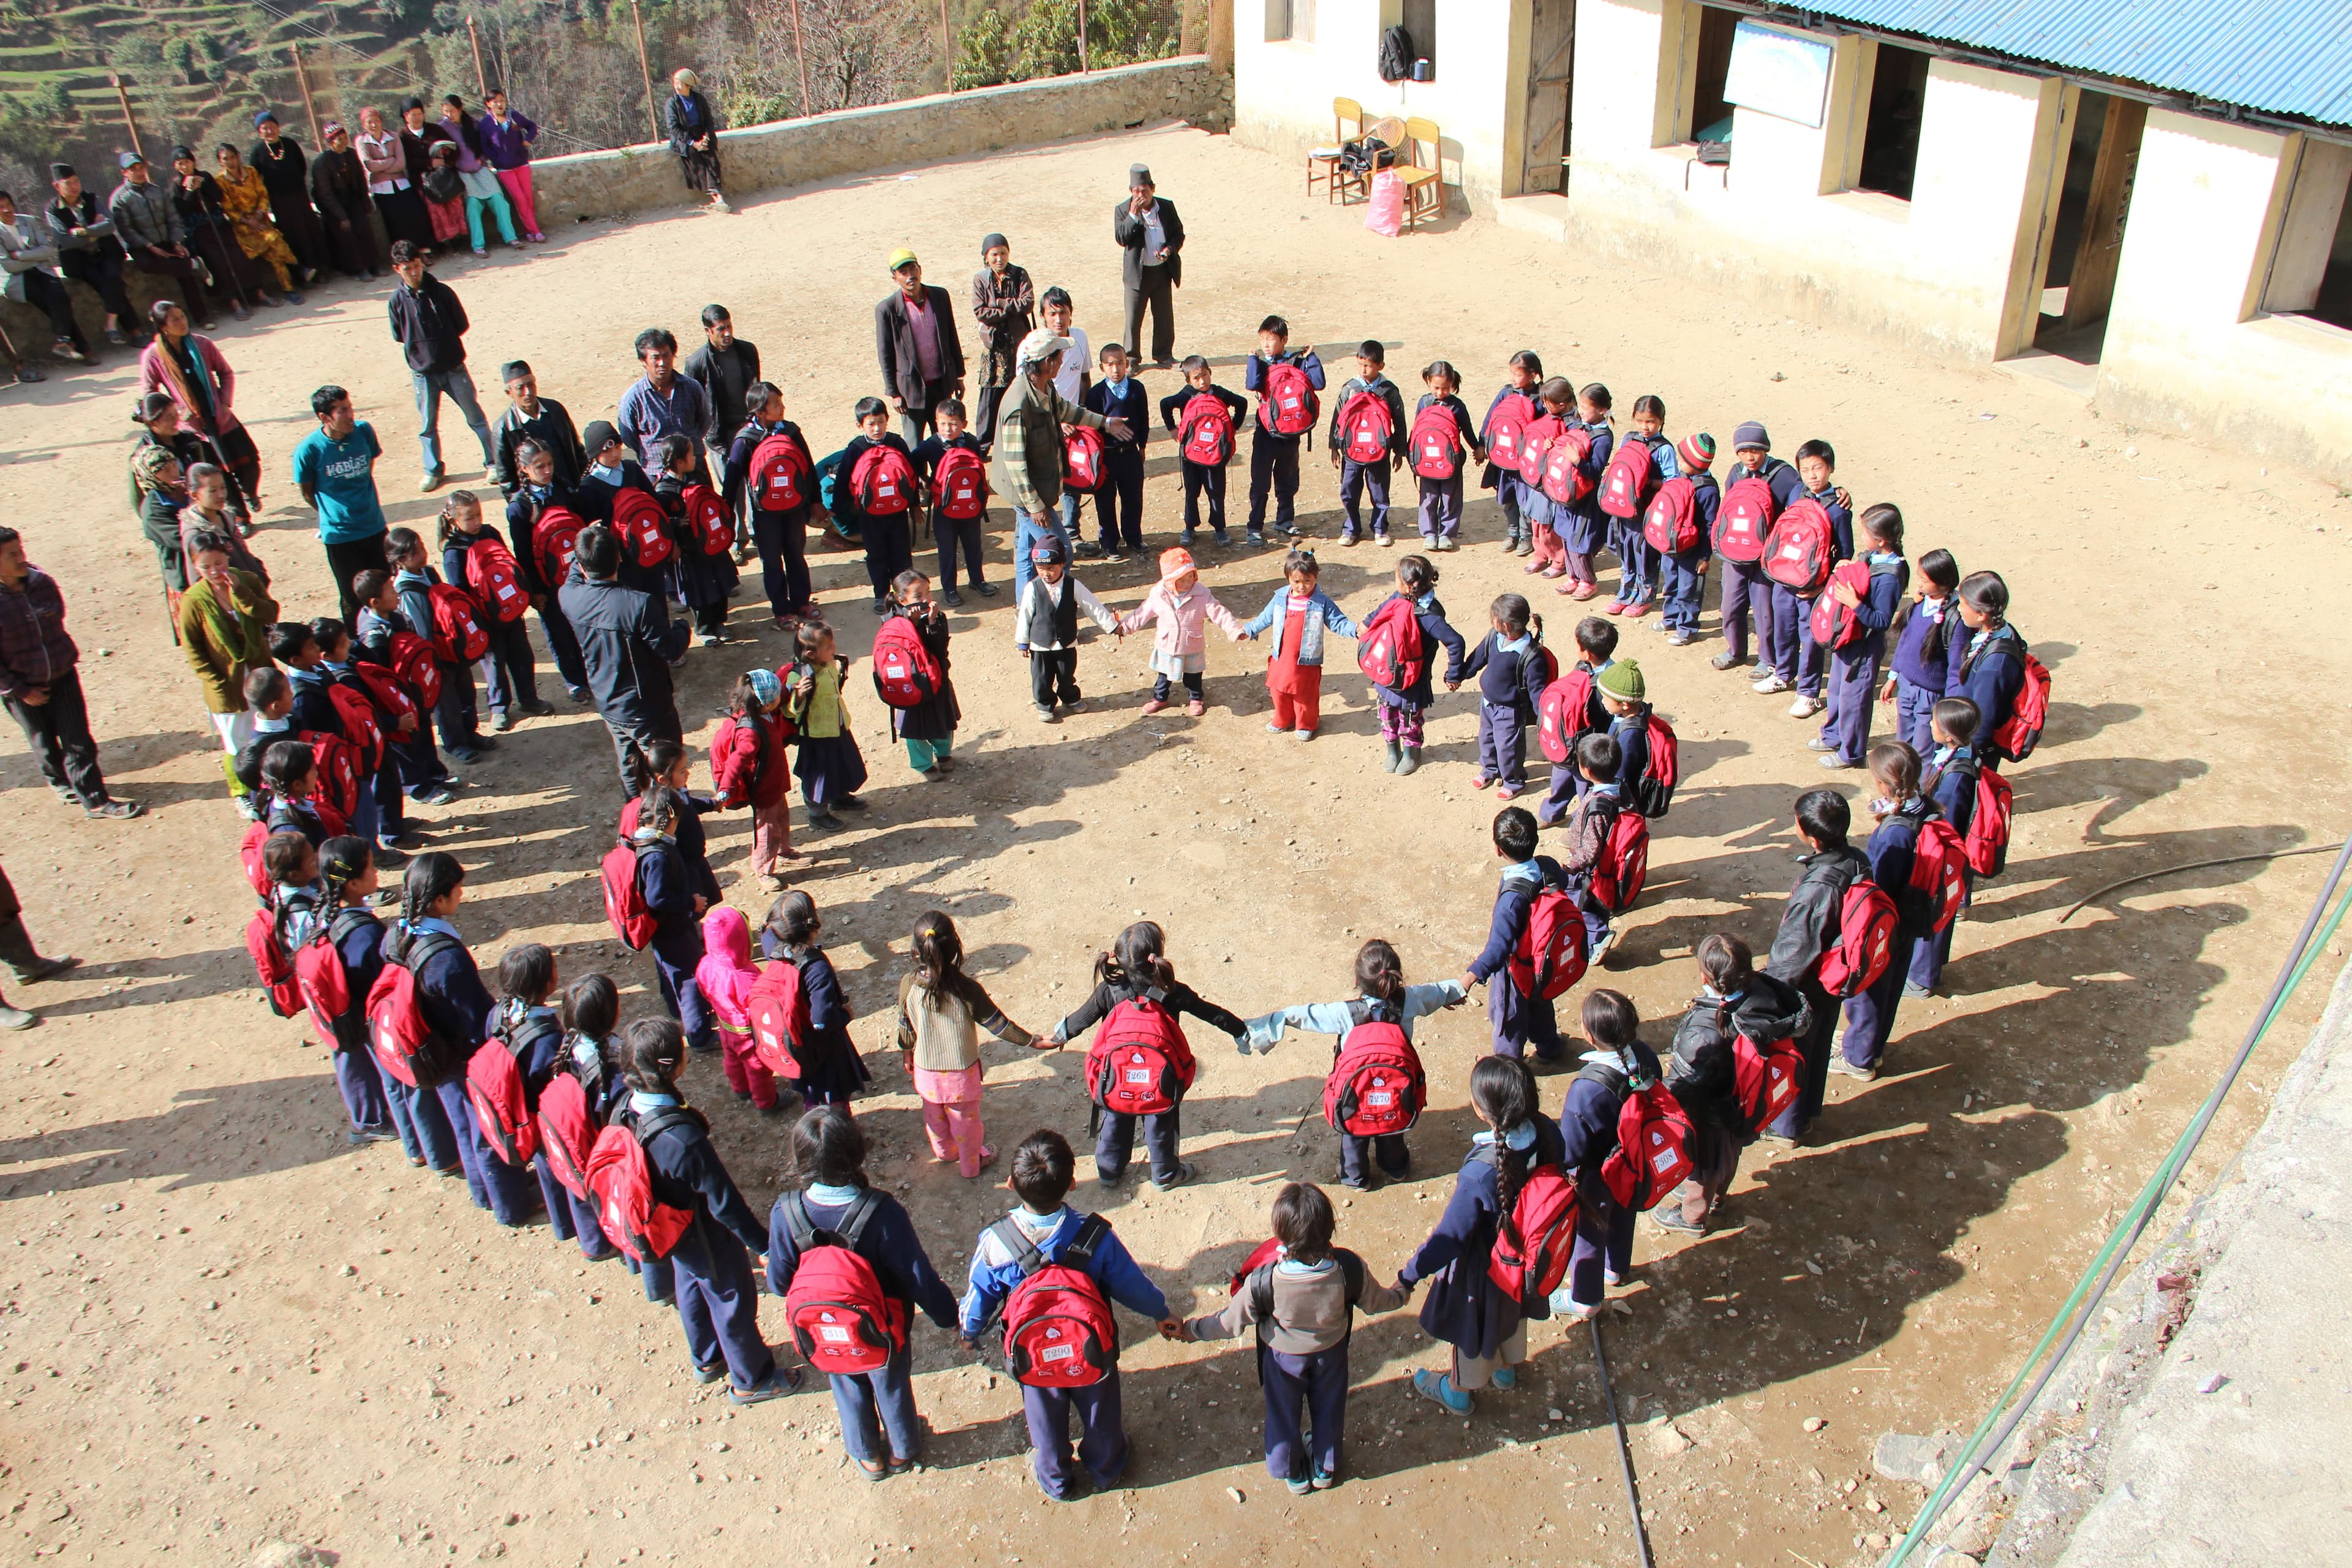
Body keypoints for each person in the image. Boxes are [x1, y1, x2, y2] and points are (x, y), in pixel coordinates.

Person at [958, 1128, 1182, 1501]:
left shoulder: (996, 1243)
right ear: (1073, 1184)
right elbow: (1132, 1284)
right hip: (1091, 1346)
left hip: (1034, 1353)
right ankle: (1107, 1468)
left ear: (1011, 1183)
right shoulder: (1095, 1236)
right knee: (1101, 1410)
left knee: (1043, 1417)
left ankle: (1056, 1478)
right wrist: (1161, 1312)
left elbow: (979, 1295)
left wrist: (970, 1331)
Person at [767, 1107, 960, 1476]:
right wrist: (949, 1317)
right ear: (857, 1152)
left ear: (800, 1159)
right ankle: (903, 1450)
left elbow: (779, 1282)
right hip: (884, 1326)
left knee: (846, 1383)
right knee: (891, 1383)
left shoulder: (785, 1212)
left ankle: (868, 1455)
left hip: (824, 1328)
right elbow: (917, 1276)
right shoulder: (882, 1212)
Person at [1179, 1180, 1407, 1492]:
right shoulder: (1348, 1269)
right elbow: (1377, 1301)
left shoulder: (1264, 1281)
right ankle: (1325, 1469)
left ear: (1281, 1235)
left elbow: (1229, 1323)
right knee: (1329, 1408)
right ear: (1330, 1229)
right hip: (1332, 1354)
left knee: (1283, 1414)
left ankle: (1293, 1473)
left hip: (1281, 1360)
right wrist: (1401, 1294)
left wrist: (1192, 1330)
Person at [616, 1017, 796, 1401]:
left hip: (669, 1225)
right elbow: (725, 1203)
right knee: (730, 1295)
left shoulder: (624, 1108)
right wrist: (764, 1247)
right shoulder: (681, 1139)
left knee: (690, 1281)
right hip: (701, 1229)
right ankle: (753, 1378)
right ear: (675, 1065)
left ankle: (707, 1357)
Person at [1398, 1054, 1566, 1414]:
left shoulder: (1481, 1173)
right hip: (1527, 1258)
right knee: (1512, 1315)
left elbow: (1451, 1237)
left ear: (1481, 1110)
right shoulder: (1548, 1131)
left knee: (1475, 1328)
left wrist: (1409, 1275)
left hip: (1484, 1271)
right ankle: (1506, 1370)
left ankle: (1458, 1388)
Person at [1041, 919, 1247, 1190]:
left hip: (1116, 1077)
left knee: (1114, 1120)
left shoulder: (1108, 991)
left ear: (1118, 959)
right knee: (1162, 1122)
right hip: (1160, 1080)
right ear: (1156, 957)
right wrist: (1241, 1030)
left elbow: (1080, 1020)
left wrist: (1055, 1038)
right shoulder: (1172, 992)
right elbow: (1211, 1013)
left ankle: (1109, 1171)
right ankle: (1164, 1174)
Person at [1246, 938, 1465, 1188]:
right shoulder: (1411, 1000)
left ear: (1357, 982)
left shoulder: (1343, 1013)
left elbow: (1303, 1015)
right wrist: (1468, 981)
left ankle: (1356, 1178)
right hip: (1394, 1090)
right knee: (1393, 1129)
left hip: (1356, 1095)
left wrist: (1263, 1028)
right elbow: (1441, 991)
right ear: (1397, 978)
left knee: (1353, 1135)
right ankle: (1397, 1169)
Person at [1662, 934, 1808, 1235]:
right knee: (1728, 1158)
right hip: (1743, 1106)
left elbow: (1681, 1087)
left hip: (1709, 1117)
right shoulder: (1768, 992)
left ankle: (1693, 1217)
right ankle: (1719, 1197)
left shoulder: (1704, 1032)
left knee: (1701, 1170)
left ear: (1705, 977)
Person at [0, 529, 141, 818]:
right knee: (42, 740)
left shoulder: (41, 584)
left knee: (77, 739)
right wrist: (22, 690)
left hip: (62, 675)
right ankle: (59, 780)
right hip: (21, 687)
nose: (21, 558)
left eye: (20, 549)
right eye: (11, 554)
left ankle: (95, 800)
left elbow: (57, 618)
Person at [895, 911, 1042, 1179]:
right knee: (966, 1124)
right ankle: (971, 1165)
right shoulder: (967, 989)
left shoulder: (907, 985)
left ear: (917, 952)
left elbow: (905, 1025)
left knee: (934, 1118)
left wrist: (907, 1053)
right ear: (955, 948)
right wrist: (1032, 1040)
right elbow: (998, 1024)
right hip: (961, 1077)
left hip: (925, 1073)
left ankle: (945, 1153)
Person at [1760, 788, 1871, 1143]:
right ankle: (1807, 1113)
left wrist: (1768, 993)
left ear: (1810, 836)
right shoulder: (1855, 859)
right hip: (1835, 976)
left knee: (1794, 1053)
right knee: (1819, 1045)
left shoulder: (1817, 889)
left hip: (1809, 982)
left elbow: (1794, 952)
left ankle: (1785, 1127)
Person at [1549, 990, 1662, 1321]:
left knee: (1589, 1231)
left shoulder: (1586, 1090)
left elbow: (1572, 1151)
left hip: (1598, 1175)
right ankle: (1615, 1269)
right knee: (1625, 1212)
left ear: (1588, 1035)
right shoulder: (1644, 1055)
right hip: (1634, 1157)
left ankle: (1585, 1299)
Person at [993, 330, 1125, 601]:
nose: (1064, 359)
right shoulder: (1019, 405)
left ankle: (1025, 609)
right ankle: (1052, 606)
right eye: (1059, 355)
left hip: (1038, 487)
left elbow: (1066, 411)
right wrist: (1036, 507)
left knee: (1026, 551)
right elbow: (1016, 465)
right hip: (1028, 494)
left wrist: (1105, 423)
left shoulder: (1043, 387)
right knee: (1058, 550)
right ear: (1046, 362)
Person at [560, 523, 688, 797]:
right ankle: (674, 815)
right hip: (647, 705)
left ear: (582, 565)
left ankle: (635, 810)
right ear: (619, 557)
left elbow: (574, 574)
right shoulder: (638, 604)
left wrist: (584, 547)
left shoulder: (570, 596)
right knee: (666, 764)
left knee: (629, 764)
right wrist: (681, 628)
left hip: (607, 699)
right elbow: (670, 650)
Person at [1458, 805, 1569, 1060]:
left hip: (1516, 972)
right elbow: (1563, 881)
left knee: (1509, 1018)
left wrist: (1469, 978)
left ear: (1498, 849)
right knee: (1541, 1007)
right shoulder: (1547, 865)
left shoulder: (1511, 900)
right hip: (1544, 961)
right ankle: (1550, 1048)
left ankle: (1509, 1064)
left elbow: (1499, 948)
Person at [386, 241, 496, 492]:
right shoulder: (396, 301)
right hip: (423, 374)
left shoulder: (443, 293)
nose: (414, 273)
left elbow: (461, 324)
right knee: (427, 426)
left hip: (454, 368)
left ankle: (493, 462)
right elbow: (399, 335)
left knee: (475, 417)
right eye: (407, 268)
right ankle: (433, 469)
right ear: (397, 269)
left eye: (416, 266)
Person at [178, 530, 277, 800]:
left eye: (219, 563)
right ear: (195, 566)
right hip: (227, 685)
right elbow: (193, 648)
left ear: (227, 556)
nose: (214, 571)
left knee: (267, 730)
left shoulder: (247, 580)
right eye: (205, 567)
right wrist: (216, 681)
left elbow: (269, 613)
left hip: (259, 672)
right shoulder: (193, 601)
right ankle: (243, 794)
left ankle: (272, 785)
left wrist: (242, 594)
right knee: (237, 743)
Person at [437, 489, 548, 729]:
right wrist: (476, 623)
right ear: (454, 521)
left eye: (478, 514)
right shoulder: (454, 552)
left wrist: (524, 596)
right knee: (494, 664)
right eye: (469, 518)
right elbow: (460, 593)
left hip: (509, 611)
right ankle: (499, 708)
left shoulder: (490, 533)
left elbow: (508, 564)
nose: (477, 521)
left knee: (522, 656)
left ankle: (529, 699)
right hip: (485, 619)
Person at [140, 300, 263, 513]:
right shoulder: (153, 356)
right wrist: (175, 412)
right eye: (175, 319)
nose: (182, 322)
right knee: (216, 473)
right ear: (163, 327)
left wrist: (225, 402)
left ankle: (249, 492)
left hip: (220, 415)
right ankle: (240, 516)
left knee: (249, 462)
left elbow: (225, 372)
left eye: (182, 316)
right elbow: (150, 393)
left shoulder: (202, 344)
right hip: (194, 428)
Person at [1811, 503, 1908, 769]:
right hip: (1848, 638)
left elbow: (1881, 620)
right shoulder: (1872, 556)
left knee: (1855, 699)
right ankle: (1833, 735)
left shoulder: (1890, 577)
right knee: (1837, 691)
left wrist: (1854, 603)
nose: (1862, 538)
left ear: (1882, 539)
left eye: (1866, 533)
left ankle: (1851, 752)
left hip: (1864, 645)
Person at [757, 891, 870, 1105]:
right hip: (822, 1053)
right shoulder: (816, 968)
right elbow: (822, 1020)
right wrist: (844, 1015)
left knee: (811, 1096)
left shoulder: (771, 948)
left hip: (793, 1043)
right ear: (813, 926)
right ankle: (836, 1135)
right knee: (831, 1104)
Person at [389, 526, 490, 763]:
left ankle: (470, 732)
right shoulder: (406, 591)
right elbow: (419, 629)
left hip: (453, 646)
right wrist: (432, 660)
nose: (424, 554)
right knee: (447, 703)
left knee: (466, 693)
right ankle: (455, 743)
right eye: (417, 552)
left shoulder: (428, 573)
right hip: (436, 656)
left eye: (422, 547)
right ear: (402, 560)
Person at [293, 385, 392, 623]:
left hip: (374, 526)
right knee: (352, 596)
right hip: (341, 537)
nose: (351, 416)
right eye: (342, 411)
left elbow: (368, 466)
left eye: (350, 408)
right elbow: (308, 493)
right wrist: (332, 515)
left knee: (386, 586)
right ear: (324, 418)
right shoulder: (309, 451)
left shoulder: (364, 432)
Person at [1711, 420, 1801, 674]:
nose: (1749, 457)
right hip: (1735, 553)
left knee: (1765, 611)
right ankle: (1735, 650)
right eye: (1743, 451)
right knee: (1730, 605)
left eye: (1755, 451)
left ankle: (1767, 659)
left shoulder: (1784, 475)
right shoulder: (1735, 473)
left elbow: (1797, 511)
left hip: (1765, 557)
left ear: (1766, 449)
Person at [723, 383, 816, 625]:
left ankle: (801, 602)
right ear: (760, 412)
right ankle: (781, 609)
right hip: (765, 515)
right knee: (772, 561)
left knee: (796, 555)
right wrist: (726, 513)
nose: (782, 407)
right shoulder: (745, 440)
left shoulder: (791, 433)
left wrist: (815, 502)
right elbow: (732, 479)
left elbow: (808, 469)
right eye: (776, 405)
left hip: (794, 510)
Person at [1365, 554, 1467, 777]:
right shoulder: (1399, 597)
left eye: (1396, 577)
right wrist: (1366, 624)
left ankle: (1412, 753)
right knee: (1386, 715)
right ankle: (1392, 750)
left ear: (1409, 585)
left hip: (1412, 681)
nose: (1395, 582)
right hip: (1389, 675)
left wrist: (1454, 674)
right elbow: (1383, 610)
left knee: (1409, 719)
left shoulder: (1428, 614)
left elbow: (1455, 641)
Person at [1240, 548, 1357, 741]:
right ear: (1288, 578)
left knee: (1305, 694)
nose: (1302, 586)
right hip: (1282, 656)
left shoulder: (1321, 603)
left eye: (1307, 581)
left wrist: (1355, 630)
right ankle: (1283, 719)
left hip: (1306, 660)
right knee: (1278, 689)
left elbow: (1338, 622)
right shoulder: (1280, 598)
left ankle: (1306, 723)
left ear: (1316, 578)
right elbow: (1265, 618)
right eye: (1296, 581)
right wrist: (1249, 630)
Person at [1118, 546, 1245, 718]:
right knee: (1163, 676)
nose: (1188, 584)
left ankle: (1196, 699)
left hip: (1192, 644)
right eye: (1181, 580)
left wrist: (1234, 630)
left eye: (1191, 577)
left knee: (1193, 677)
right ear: (1170, 581)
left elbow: (1219, 612)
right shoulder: (1158, 595)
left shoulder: (1202, 595)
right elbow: (1142, 613)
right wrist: (1124, 627)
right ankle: (1160, 698)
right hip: (1166, 644)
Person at [1014, 536, 1119, 723]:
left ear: (1062, 564)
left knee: (1067, 674)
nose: (1046, 573)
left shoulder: (1073, 585)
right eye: (1041, 569)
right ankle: (1045, 704)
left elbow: (1092, 606)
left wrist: (1111, 627)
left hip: (1067, 641)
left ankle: (1070, 698)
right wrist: (1022, 641)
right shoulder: (1032, 588)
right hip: (1040, 644)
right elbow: (1025, 615)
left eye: (1051, 568)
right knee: (1042, 678)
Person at [830, 397, 919, 614]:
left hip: (898, 512)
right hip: (869, 516)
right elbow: (843, 481)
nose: (877, 428)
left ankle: (904, 594)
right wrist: (837, 509)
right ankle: (881, 595)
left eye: (881, 422)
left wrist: (915, 505)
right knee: (877, 555)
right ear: (860, 425)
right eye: (871, 423)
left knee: (902, 554)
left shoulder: (897, 443)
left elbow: (911, 476)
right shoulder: (856, 449)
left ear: (888, 420)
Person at [1242, 315, 1325, 545]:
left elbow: (1318, 383)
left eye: (1271, 340)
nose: (1266, 345)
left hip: (1291, 433)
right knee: (1260, 482)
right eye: (1263, 340)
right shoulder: (1260, 363)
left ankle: (1285, 520)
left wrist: (1312, 358)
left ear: (1284, 339)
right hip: (1266, 434)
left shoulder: (1297, 362)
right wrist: (1252, 359)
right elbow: (1252, 384)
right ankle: (1255, 526)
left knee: (1288, 479)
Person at [107, 151, 214, 326]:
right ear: (124, 172)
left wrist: (177, 242)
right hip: (142, 246)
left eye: (141, 167)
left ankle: (202, 317)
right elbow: (125, 230)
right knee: (148, 264)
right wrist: (149, 246)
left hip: (166, 240)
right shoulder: (119, 199)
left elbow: (173, 218)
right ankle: (194, 264)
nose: (139, 172)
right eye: (133, 169)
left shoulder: (158, 192)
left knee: (185, 272)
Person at [712, 670, 794, 891]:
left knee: (783, 819)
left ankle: (784, 852)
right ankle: (763, 869)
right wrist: (725, 789)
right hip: (765, 790)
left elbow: (782, 696)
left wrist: (795, 690)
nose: (782, 697)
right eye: (778, 695)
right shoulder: (750, 733)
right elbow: (736, 762)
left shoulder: (759, 710)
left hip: (775, 784)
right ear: (767, 705)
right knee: (767, 830)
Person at [873, 250, 965, 445]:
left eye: (913, 269)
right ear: (895, 278)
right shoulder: (887, 310)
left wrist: (958, 375)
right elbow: (886, 354)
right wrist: (894, 393)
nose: (910, 276)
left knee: (944, 440)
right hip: (910, 391)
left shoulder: (940, 296)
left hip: (941, 384)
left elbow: (951, 335)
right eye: (903, 272)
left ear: (920, 270)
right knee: (914, 445)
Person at [782, 620, 867, 831]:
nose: (834, 649)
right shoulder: (799, 675)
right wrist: (799, 695)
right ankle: (817, 814)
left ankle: (839, 796)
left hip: (837, 727)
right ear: (811, 654)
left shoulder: (827, 664)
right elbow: (789, 709)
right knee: (818, 776)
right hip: (817, 736)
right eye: (829, 647)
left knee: (842, 763)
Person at [164, 145, 266, 316]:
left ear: (193, 161)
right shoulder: (175, 186)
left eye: (187, 162)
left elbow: (219, 197)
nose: (185, 166)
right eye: (180, 163)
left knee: (238, 254)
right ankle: (233, 301)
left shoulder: (204, 176)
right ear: (176, 166)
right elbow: (181, 210)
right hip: (200, 230)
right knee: (218, 262)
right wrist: (189, 191)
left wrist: (202, 185)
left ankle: (257, 292)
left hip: (218, 223)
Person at [1461, 592, 1547, 798]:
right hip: (1488, 704)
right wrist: (1459, 675)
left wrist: (1543, 721)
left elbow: (1538, 690)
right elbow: (1477, 658)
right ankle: (1490, 770)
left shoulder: (1531, 655)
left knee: (1509, 747)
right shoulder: (1494, 637)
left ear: (1505, 624)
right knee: (1487, 739)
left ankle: (1514, 780)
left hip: (1510, 710)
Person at [911, 398, 992, 605]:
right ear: (936, 422)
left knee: (974, 546)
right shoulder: (930, 446)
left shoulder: (972, 443)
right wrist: (927, 481)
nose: (948, 429)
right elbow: (913, 464)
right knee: (947, 550)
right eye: (943, 423)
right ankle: (950, 589)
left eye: (954, 423)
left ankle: (977, 580)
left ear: (964, 424)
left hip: (970, 508)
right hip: (943, 509)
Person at [1328, 339, 1409, 547]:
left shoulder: (1389, 391)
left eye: (1368, 365)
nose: (1363, 370)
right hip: (1351, 452)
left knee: (1380, 491)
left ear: (1380, 366)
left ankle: (1380, 529)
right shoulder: (1350, 389)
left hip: (1379, 452)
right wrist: (1334, 447)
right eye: (1360, 364)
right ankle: (1351, 528)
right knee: (1349, 490)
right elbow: (1338, 418)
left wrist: (1399, 451)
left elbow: (1399, 421)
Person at [43, 165, 135, 347]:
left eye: (76, 181)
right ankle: (131, 330)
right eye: (68, 183)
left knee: (113, 277)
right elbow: (65, 240)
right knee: (108, 284)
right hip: (79, 259)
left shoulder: (91, 199)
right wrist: (95, 231)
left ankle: (113, 326)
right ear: (56, 186)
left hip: (106, 251)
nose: (74, 187)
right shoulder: (53, 210)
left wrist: (83, 231)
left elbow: (109, 225)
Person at [1883, 548, 1965, 753]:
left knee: (1924, 748)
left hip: (1930, 694)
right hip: (1906, 685)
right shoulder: (1919, 605)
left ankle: (1921, 785)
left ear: (1943, 583)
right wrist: (1893, 675)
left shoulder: (1955, 620)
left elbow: (1956, 669)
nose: (1919, 584)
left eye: (1924, 580)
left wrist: (1948, 710)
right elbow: (1905, 641)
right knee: (1903, 741)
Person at [1161, 354, 1246, 548]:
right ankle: (1190, 527)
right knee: (1192, 491)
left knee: (1216, 492)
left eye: (1205, 375)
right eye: (1196, 378)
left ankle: (1219, 528)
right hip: (1191, 455)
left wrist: (1233, 428)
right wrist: (1172, 428)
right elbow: (1165, 404)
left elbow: (1241, 402)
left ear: (1211, 373)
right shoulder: (1186, 395)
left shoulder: (1220, 393)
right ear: (1188, 380)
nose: (1203, 381)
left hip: (1215, 453)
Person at [1602, 395, 1676, 616]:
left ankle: (1645, 596)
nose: (1645, 427)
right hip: (1624, 509)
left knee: (1645, 554)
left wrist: (1648, 482)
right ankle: (1625, 593)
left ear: (1661, 421)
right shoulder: (1629, 439)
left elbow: (1672, 482)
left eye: (1651, 422)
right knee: (1626, 550)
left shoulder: (1664, 450)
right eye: (1640, 421)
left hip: (1647, 512)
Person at [881, 571, 959, 778]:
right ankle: (923, 764)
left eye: (928, 592)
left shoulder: (937, 617)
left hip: (937, 680)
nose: (926, 599)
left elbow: (940, 650)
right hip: (911, 683)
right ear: (901, 599)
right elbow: (899, 651)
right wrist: (912, 625)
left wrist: (931, 623)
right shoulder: (893, 622)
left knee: (943, 719)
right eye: (918, 596)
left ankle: (943, 754)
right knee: (914, 729)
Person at [0, 189, 91, 368]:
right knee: (51, 305)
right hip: (17, 278)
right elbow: (8, 266)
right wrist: (33, 256)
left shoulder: (28, 221)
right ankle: (82, 349)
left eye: (8, 205)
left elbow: (48, 250)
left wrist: (19, 255)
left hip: (42, 271)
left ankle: (65, 342)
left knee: (60, 296)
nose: (6, 210)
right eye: (1, 207)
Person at [1952, 571, 2029, 767]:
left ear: (1981, 615)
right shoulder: (2005, 630)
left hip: (1974, 750)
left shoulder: (1994, 666)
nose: (1958, 609)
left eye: (1963, 604)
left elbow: (1983, 721)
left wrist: (1963, 757)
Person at [619, 327, 712, 488]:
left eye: (667, 355)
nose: (662, 363)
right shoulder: (633, 399)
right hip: (658, 477)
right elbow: (629, 438)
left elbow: (704, 423)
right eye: (655, 357)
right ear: (644, 361)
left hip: (695, 470)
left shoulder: (692, 388)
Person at [1080, 341, 1149, 559]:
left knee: (1133, 498)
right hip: (1106, 457)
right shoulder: (1096, 394)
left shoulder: (1137, 389)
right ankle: (1109, 543)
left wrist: (1143, 445)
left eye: (1120, 363)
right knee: (1105, 501)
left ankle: (1133, 537)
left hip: (1130, 453)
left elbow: (1144, 419)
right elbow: (1092, 426)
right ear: (1102, 368)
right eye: (1110, 365)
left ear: (1127, 364)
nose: (1116, 369)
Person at [213, 144, 307, 300]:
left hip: (261, 220)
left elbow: (263, 194)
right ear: (220, 162)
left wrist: (258, 215)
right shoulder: (221, 181)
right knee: (274, 239)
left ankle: (289, 289)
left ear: (239, 156)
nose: (230, 161)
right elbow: (228, 209)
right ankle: (297, 266)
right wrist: (249, 221)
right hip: (244, 228)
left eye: (233, 157)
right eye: (225, 159)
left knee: (275, 250)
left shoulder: (251, 172)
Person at [681, 305, 760, 484]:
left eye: (729, 327)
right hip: (720, 437)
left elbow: (756, 388)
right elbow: (692, 404)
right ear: (708, 331)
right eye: (721, 329)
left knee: (756, 483)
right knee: (732, 489)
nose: (727, 333)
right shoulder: (696, 363)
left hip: (749, 429)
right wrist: (707, 433)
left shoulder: (747, 351)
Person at [1114, 164, 1183, 367]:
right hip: (1137, 274)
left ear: (1153, 188)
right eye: (1136, 191)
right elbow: (1121, 238)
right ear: (1131, 191)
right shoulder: (1122, 211)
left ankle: (1164, 355)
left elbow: (1178, 234)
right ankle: (1132, 359)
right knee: (1133, 319)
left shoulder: (1167, 207)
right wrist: (1133, 215)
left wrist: (1169, 249)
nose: (1141, 195)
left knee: (1164, 317)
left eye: (1145, 190)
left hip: (1161, 272)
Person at [968, 233, 1033, 446]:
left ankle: (1018, 435)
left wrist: (1001, 303)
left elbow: (1028, 303)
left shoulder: (1019, 274)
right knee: (989, 392)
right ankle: (984, 442)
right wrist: (1009, 310)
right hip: (994, 347)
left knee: (1019, 388)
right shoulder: (980, 279)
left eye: (1003, 253)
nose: (999, 259)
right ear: (986, 257)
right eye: (994, 254)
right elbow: (980, 312)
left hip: (1018, 343)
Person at [437, 96, 522, 257]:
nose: (449, 115)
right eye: (446, 111)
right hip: (462, 172)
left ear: (460, 109)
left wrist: (481, 158)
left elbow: (486, 143)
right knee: (473, 205)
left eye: (452, 111)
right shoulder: (442, 128)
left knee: (499, 200)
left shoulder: (474, 124)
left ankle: (511, 238)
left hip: (481, 168)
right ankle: (478, 245)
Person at [248, 111, 329, 280]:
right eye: (265, 129)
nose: (270, 131)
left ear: (278, 127)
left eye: (272, 127)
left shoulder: (290, 145)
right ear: (259, 132)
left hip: (299, 196)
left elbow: (302, 167)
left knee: (309, 230)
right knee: (292, 235)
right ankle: (302, 275)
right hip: (279, 201)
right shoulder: (258, 152)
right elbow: (255, 178)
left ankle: (320, 269)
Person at [1411, 360, 1482, 550]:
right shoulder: (1423, 403)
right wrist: (1412, 456)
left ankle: (1447, 533)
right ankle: (1430, 533)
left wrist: (1478, 448)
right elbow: (1417, 431)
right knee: (1428, 498)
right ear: (1428, 382)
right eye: (1436, 388)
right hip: (1427, 461)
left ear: (1452, 384)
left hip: (1451, 462)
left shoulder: (1458, 406)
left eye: (1445, 388)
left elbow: (1467, 430)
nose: (1441, 392)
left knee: (1451, 498)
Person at [1657, 433, 1720, 646]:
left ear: (1697, 463)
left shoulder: (1708, 490)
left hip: (1692, 551)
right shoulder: (1682, 479)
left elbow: (1711, 526)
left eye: (1684, 460)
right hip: (1673, 547)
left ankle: (1687, 628)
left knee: (1689, 591)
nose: (1679, 462)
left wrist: (1705, 556)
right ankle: (1671, 618)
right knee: (1671, 584)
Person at [492, 360, 586, 496]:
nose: (528, 392)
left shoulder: (555, 411)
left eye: (531, 384)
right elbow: (507, 480)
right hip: (539, 499)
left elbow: (577, 452)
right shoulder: (504, 429)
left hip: (570, 490)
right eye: (520, 388)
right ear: (509, 392)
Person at [308, 123, 383, 280]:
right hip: (333, 205)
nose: (343, 142)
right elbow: (325, 193)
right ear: (330, 143)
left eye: (345, 138)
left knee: (364, 228)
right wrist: (341, 216)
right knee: (347, 233)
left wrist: (365, 201)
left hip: (351, 199)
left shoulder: (351, 155)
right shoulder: (322, 163)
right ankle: (358, 269)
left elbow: (360, 180)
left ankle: (373, 265)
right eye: (338, 140)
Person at [355, 106, 434, 257]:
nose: (374, 125)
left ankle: (424, 250)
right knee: (396, 219)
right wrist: (391, 161)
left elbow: (402, 163)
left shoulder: (393, 136)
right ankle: (405, 255)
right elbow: (369, 165)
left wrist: (382, 165)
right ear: (364, 125)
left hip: (401, 183)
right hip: (381, 187)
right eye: (369, 122)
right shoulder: (362, 141)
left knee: (416, 212)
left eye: (376, 121)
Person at [475, 88, 546, 243]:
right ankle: (536, 231)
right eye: (495, 102)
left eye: (502, 100)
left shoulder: (513, 116)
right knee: (519, 199)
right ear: (489, 104)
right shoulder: (486, 124)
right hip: (505, 169)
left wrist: (527, 140)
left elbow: (532, 126)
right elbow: (485, 146)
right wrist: (497, 159)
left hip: (522, 164)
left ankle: (528, 230)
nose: (500, 104)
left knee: (528, 198)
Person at [664, 70, 729, 212]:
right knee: (697, 161)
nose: (677, 86)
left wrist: (706, 137)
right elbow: (674, 128)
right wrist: (693, 143)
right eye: (675, 83)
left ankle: (718, 197)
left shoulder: (699, 100)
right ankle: (718, 198)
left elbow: (709, 122)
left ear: (688, 85)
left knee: (712, 160)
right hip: (685, 138)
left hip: (702, 135)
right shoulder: (672, 103)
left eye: (680, 83)